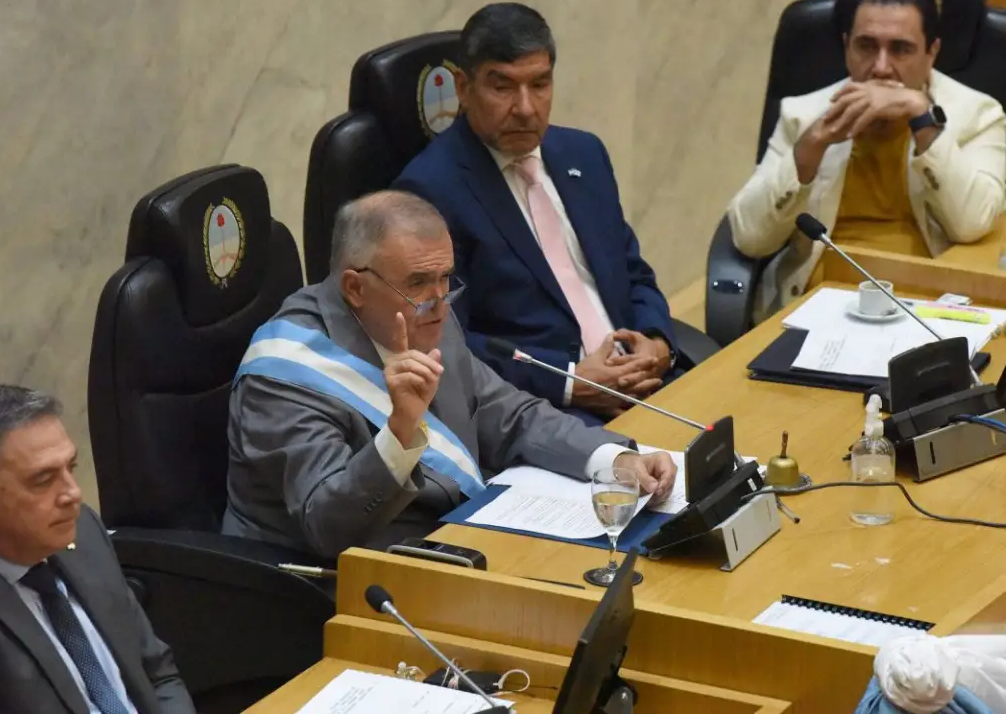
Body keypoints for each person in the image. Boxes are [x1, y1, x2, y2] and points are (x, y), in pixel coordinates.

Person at [222, 191, 676, 559]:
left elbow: (507, 412)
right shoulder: (285, 375)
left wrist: (614, 461)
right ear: (355, 288)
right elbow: (327, 526)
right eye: (419, 283)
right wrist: (398, 433)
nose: (440, 301)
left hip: (456, 542)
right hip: (341, 584)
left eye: (446, 279)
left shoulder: (428, 313)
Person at [395, 2, 676, 426]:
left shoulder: (585, 154)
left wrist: (656, 341)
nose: (526, 108)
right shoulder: (429, 193)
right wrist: (568, 382)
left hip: (648, 383)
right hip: (551, 413)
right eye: (503, 87)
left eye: (540, 84)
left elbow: (632, 272)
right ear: (462, 87)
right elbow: (443, 342)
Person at [727, 0, 1006, 319]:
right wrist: (812, 147)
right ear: (847, 46)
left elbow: (972, 223)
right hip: (818, 305)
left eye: (901, 49)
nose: (880, 67)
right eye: (866, 46)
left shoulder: (977, 114)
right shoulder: (802, 115)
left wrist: (920, 117)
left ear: (931, 52)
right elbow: (749, 238)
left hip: (928, 306)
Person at [0, 385, 195, 714]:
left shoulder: (83, 533)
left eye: (70, 468)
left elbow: (157, 673)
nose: (73, 494)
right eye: (43, 480)